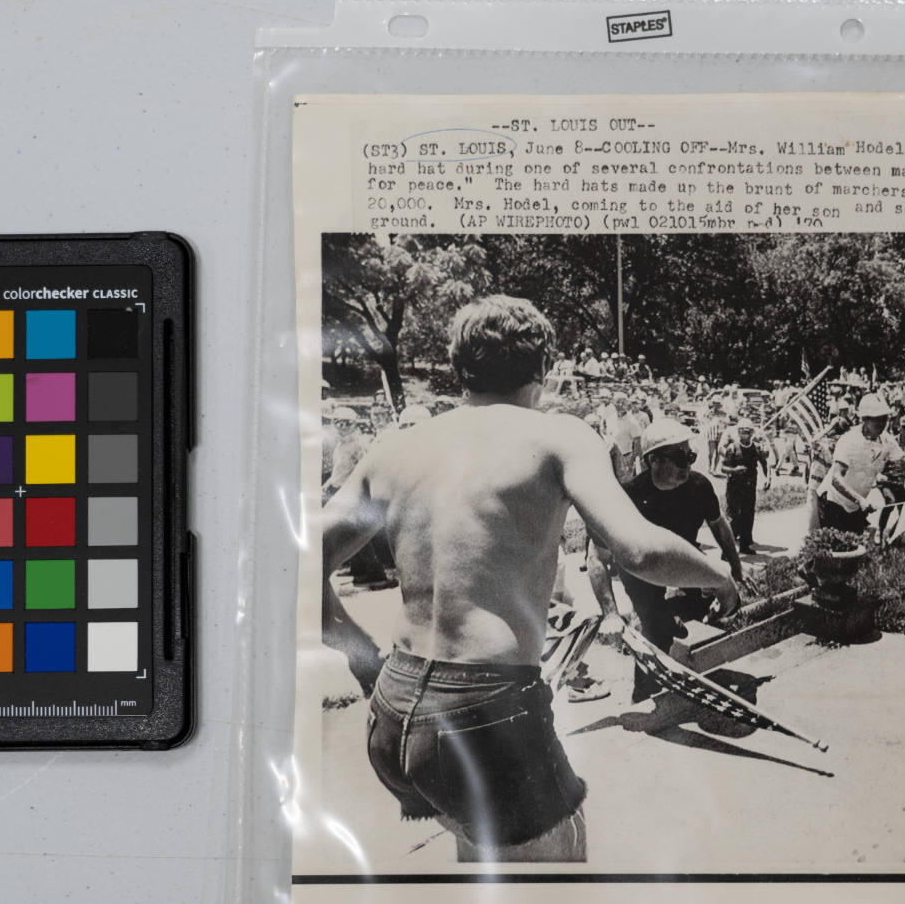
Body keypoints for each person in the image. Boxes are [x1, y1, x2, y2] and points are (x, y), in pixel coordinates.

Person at [321, 296, 739, 862]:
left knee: (485, 855)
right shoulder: (557, 436)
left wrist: (359, 653)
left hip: (394, 712)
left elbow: (292, 568)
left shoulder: (396, 447)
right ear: (543, 367)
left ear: (456, 365)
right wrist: (720, 577)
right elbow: (638, 550)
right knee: (557, 870)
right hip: (484, 710)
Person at [592, 418, 746, 702]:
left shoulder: (699, 486)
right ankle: (646, 693)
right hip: (642, 573)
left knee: (694, 621)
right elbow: (596, 557)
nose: (687, 464)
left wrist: (736, 571)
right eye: (678, 457)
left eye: (690, 455)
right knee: (653, 627)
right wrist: (610, 613)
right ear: (653, 460)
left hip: (682, 566)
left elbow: (720, 526)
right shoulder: (627, 497)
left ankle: (685, 685)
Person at [817, 393, 903, 534]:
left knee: (856, 546)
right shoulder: (849, 440)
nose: (882, 423)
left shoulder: (887, 440)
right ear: (864, 420)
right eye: (876, 419)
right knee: (837, 549)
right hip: (833, 501)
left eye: (884, 418)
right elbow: (836, 478)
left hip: (855, 506)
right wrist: (860, 500)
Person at [719, 417, 769, 554]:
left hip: (749, 487)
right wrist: (735, 470)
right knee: (734, 518)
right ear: (738, 432)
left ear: (752, 433)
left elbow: (764, 463)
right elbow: (722, 468)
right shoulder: (732, 448)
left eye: (747, 432)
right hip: (734, 487)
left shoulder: (756, 448)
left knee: (748, 516)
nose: (744, 435)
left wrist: (767, 478)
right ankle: (727, 550)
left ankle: (745, 546)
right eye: (741, 432)